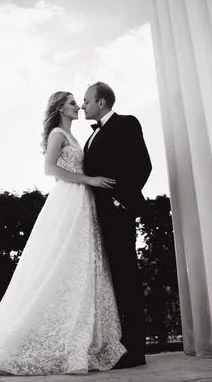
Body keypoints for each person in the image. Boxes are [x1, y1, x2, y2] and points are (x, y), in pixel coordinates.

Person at [0, 91, 126, 375]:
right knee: (59, 262)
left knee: (81, 265)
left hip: (83, 201)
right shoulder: (59, 133)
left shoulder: (74, 137)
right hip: (68, 200)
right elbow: (50, 169)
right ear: (60, 108)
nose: (78, 106)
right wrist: (89, 180)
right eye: (73, 103)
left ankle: (81, 339)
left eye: (79, 102)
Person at [82, 81, 152, 369]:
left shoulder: (126, 123)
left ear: (101, 102)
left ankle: (135, 351)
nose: (83, 105)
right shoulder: (90, 137)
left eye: (86, 100)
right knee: (109, 282)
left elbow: (142, 164)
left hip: (118, 214)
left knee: (126, 280)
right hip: (95, 218)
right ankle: (114, 344)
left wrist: (122, 201)